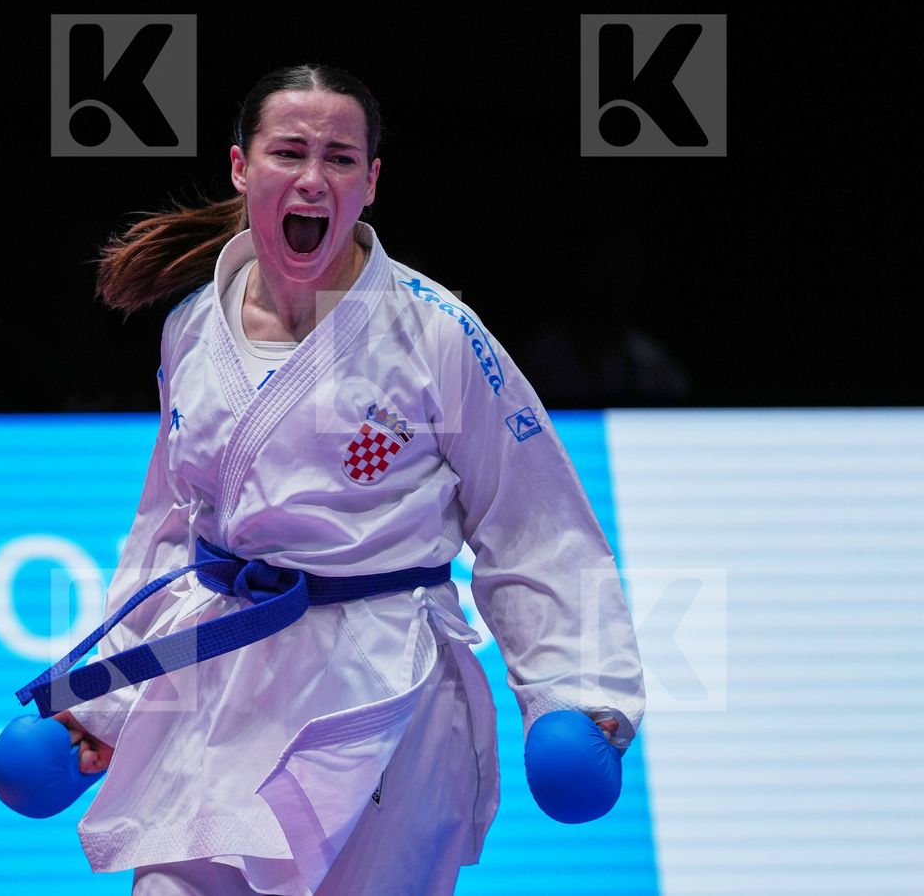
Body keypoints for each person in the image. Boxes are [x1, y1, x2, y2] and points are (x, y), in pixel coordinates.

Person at [42, 64, 646, 896]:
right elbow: (169, 535)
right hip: (225, 678)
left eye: (340, 158)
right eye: (289, 151)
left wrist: (579, 693)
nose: (314, 177)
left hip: (384, 695)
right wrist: (101, 693)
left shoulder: (436, 334)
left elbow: (534, 521)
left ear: (370, 185)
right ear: (241, 168)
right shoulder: (190, 329)